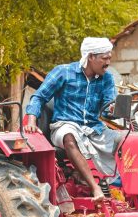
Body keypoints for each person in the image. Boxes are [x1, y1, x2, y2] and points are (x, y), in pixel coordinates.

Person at [24, 37, 119, 202]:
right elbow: (39, 97)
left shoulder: (107, 79)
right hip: (64, 125)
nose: (108, 63)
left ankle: (129, 191)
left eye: (109, 58)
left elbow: (108, 108)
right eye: (104, 58)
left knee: (125, 139)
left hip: (93, 128)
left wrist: (113, 109)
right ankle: (95, 188)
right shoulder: (64, 72)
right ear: (91, 57)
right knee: (69, 136)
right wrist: (31, 121)